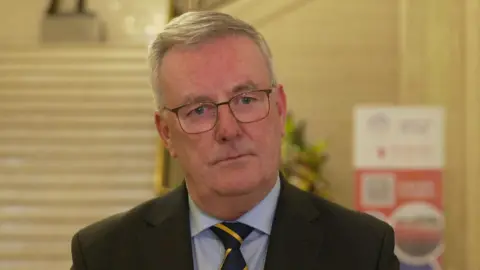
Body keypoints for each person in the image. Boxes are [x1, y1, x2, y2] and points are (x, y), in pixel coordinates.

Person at [70, 11, 399, 270]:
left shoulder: (363, 250)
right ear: (166, 133)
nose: (228, 129)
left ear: (280, 108)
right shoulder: (104, 255)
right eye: (199, 109)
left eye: (246, 100)